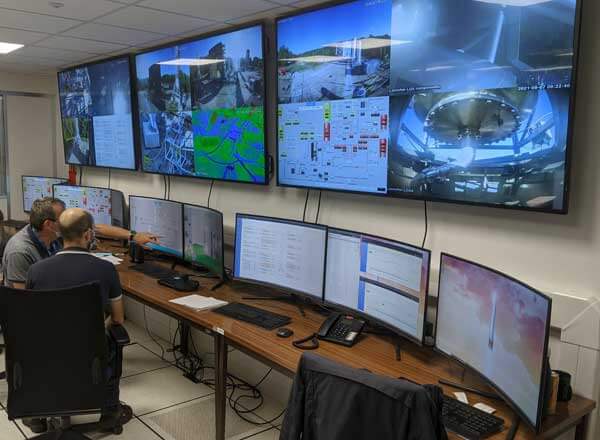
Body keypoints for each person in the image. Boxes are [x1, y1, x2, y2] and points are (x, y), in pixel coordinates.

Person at [26, 208, 133, 432]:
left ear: (59, 232)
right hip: (90, 355)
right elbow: (118, 318)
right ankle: (108, 412)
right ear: (87, 235)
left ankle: (39, 416)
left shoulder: (36, 271)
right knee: (112, 342)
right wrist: (99, 325)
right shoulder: (106, 269)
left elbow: (32, 318)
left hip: (45, 354)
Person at [2, 197, 158, 288]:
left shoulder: (56, 232)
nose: (67, 219)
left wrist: (133, 236)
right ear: (49, 224)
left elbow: (98, 228)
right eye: (62, 217)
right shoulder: (20, 251)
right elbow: (23, 301)